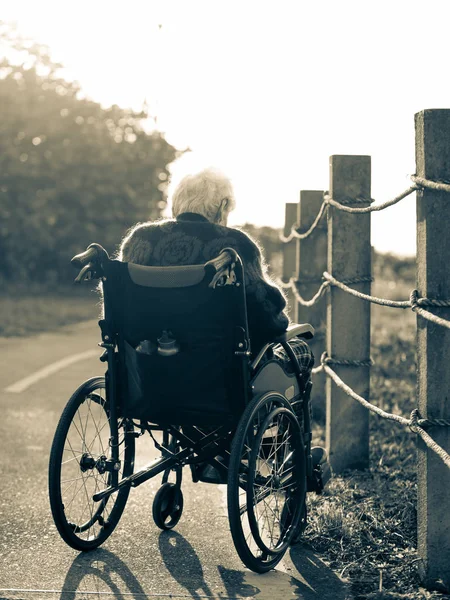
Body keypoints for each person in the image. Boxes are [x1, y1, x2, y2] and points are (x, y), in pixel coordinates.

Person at [118, 168, 326, 484]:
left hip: (146, 380)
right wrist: (282, 324)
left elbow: (122, 309)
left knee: (194, 357)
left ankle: (213, 450)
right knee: (297, 353)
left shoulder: (139, 239)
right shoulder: (234, 245)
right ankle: (287, 458)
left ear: (177, 203)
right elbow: (268, 317)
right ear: (222, 207)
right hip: (216, 383)